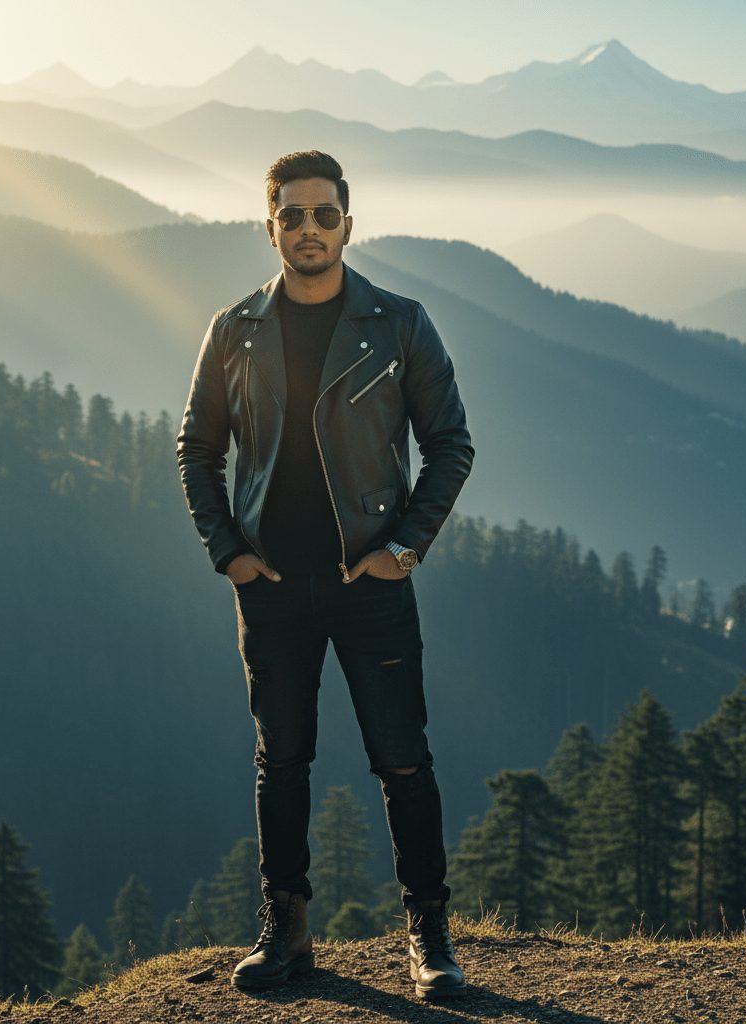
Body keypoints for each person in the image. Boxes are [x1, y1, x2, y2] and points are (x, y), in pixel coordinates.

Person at [176, 150, 474, 1001]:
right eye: (293, 214)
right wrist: (227, 552)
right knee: (284, 761)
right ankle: (287, 930)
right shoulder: (233, 328)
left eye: (325, 214)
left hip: (371, 582)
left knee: (404, 759)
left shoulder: (400, 323)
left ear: (350, 221)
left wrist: (404, 547)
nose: (309, 229)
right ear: (268, 224)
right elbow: (198, 449)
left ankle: (429, 934)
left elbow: (450, 443)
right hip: (270, 587)